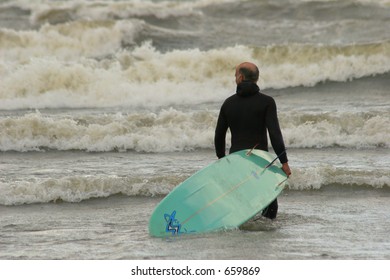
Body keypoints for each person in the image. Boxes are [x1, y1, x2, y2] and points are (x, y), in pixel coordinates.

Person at [214, 62, 291, 219]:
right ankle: (264, 234)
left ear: (241, 77)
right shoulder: (267, 102)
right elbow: (275, 133)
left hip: (236, 160)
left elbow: (219, 135)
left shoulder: (228, 103)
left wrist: (222, 160)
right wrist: (284, 162)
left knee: (240, 200)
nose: (235, 78)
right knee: (269, 204)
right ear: (256, 78)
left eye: (235, 75)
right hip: (260, 161)